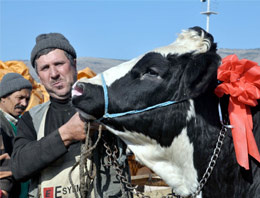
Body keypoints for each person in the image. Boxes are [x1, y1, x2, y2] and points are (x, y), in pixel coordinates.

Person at [11, 33, 131, 198]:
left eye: (59, 64)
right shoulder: (31, 119)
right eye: (45, 68)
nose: (53, 74)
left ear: (74, 64)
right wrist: (66, 134)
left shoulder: (108, 104)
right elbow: (19, 168)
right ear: (39, 76)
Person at [0, 73, 32, 198]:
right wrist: (3, 191)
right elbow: (2, 162)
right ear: (3, 97)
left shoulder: (20, 124)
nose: (24, 103)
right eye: (20, 97)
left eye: (27, 99)